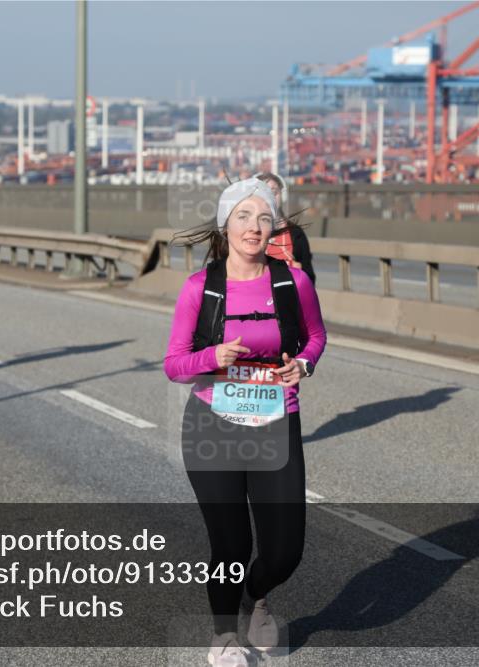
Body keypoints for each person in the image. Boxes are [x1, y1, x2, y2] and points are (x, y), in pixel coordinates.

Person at [165, 178, 326, 665]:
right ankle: (222, 640)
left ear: (272, 226)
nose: (253, 227)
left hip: (276, 421)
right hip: (213, 424)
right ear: (225, 225)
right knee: (231, 543)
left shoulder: (292, 283)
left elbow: (316, 337)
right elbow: (174, 364)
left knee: (284, 552)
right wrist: (213, 355)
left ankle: (256, 593)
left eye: (262, 218)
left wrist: (305, 365)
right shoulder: (201, 288)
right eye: (242, 217)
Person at [254, 171, 316, 283]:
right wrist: (289, 266)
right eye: (264, 192)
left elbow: (308, 277)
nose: (270, 196)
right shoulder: (245, 232)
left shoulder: (295, 233)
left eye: (274, 191)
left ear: (282, 196)